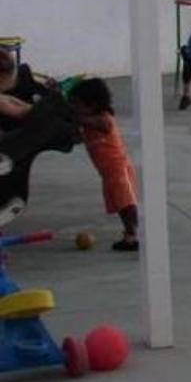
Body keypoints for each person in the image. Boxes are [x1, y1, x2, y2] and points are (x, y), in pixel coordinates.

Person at [67, 79, 140, 252]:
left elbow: (89, 123)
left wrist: (71, 116)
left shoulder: (104, 120)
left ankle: (136, 235)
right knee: (121, 205)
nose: (75, 108)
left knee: (127, 203)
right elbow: (78, 137)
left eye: (77, 104)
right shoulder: (88, 123)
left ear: (93, 104)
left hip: (118, 168)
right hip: (108, 172)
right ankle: (130, 235)